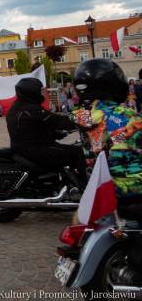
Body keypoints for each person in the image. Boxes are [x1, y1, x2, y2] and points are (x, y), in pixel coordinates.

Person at [71, 59, 142, 282]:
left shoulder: (82, 116)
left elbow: (113, 139)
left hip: (102, 186)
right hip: (129, 187)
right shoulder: (130, 116)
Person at [7, 77, 84, 179]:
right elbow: (57, 121)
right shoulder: (32, 110)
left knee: (64, 149)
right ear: (32, 92)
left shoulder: (16, 107)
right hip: (35, 151)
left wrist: (56, 134)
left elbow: (33, 129)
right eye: (41, 90)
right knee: (77, 152)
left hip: (23, 149)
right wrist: (80, 120)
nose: (44, 93)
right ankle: (86, 186)